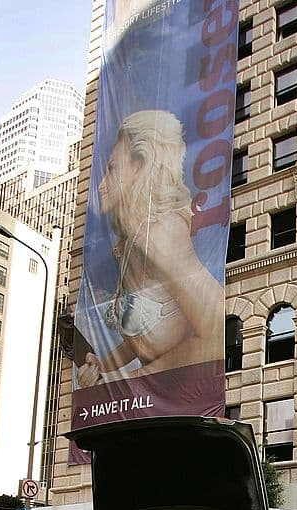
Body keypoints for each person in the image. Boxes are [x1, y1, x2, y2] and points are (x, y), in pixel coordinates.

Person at [78, 109, 224, 385]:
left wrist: (127, 382)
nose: (100, 186)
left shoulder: (162, 235)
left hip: (181, 400)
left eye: (111, 169)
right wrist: (105, 365)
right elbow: (145, 334)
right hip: (151, 402)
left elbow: (215, 336)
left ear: (141, 165)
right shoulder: (130, 242)